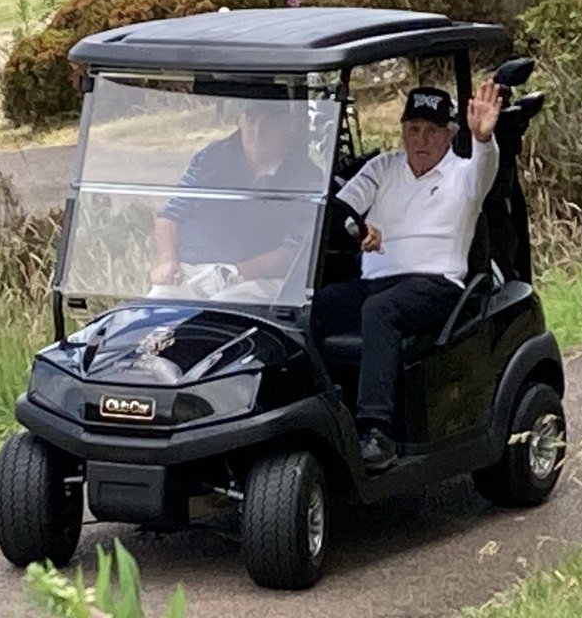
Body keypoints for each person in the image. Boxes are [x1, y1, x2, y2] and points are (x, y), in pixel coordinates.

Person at [312, 81, 502, 471]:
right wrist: (359, 231)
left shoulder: (464, 176)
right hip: (377, 282)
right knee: (315, 306)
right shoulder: (383, 168)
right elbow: (338, 211)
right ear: (402, 131)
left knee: (381, 311)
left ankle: (375, 431)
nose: (421, 139)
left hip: (437, 285)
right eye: (413, 129)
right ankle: (312, 410)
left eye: (432, 131)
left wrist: (483, 138)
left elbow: (486, 166)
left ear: (449, 135)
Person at [149, 100, 321, 303]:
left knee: (220, 313)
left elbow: (298, 249)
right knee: (156, 309)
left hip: (257, 279)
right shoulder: (210, 158)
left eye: (268, 124)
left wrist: (234, 273)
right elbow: (171, 215)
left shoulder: (306, 176)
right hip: (192, 271)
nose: (257, 132)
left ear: (286, 127)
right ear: (239, 122)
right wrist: (167, 260)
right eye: (251, 121)